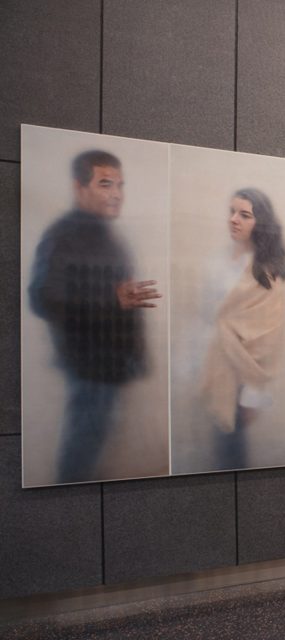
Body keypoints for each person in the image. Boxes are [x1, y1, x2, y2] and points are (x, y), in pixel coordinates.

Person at [29, 150, 161, 483]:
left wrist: (136, 357)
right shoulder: (63, 234)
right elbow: (42, 298)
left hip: (111, 366)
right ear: (79, 187)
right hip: (90, 367)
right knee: (81, 458)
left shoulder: (106, 234)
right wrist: (109, 298)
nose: (116, 193)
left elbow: (122, 300)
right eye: (105, 184)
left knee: (95, 454)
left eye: (120, 185)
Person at [200, 188, 285, 470]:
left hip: (240, 380)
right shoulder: (219, 261)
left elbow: (267, 340)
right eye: (232, 212)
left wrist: (252, 394)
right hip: (214, 368)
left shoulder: (267, 274)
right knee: (216, 451)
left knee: (232, 454)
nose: (234, 219)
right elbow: (208, 316)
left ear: (259, 223)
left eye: (244, 215)